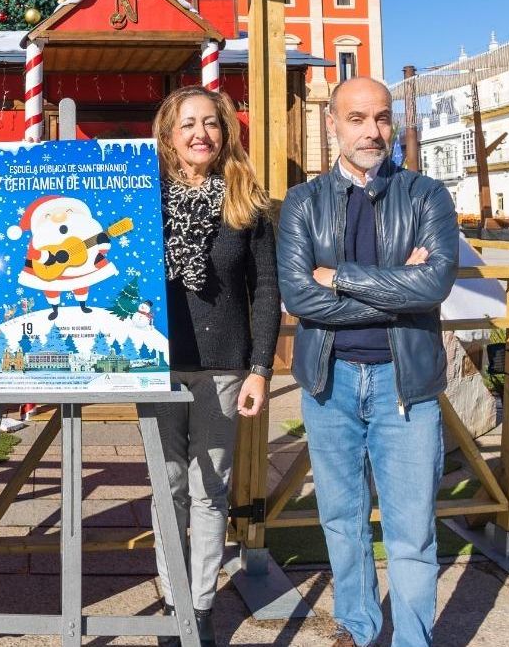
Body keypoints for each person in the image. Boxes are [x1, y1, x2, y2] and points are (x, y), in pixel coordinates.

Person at [275, 77, 459, 647]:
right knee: (341, 519)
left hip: (405, 385)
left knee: (412, 529)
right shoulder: (303, 203)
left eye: (381, 118)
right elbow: (299, 297)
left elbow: (434, 285)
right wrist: (397, 285)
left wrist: (341, 278)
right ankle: (357, 627)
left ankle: (412, 640)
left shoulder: (427, 195)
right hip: (328, 383)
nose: (372, 131)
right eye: (356, 118)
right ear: (332, 124)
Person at [149, 87, 279, 647]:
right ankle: (171, 598)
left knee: (209, 490)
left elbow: (266, 289)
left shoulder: (247, 202)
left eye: (211, 123)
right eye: (188, 124)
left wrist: (261, 368)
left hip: (224, 367)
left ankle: (198, 607)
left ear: (225, 132)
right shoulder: (143, 198)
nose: (200, 133)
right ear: (168, 135)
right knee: (168, 487)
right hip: (156, 364)